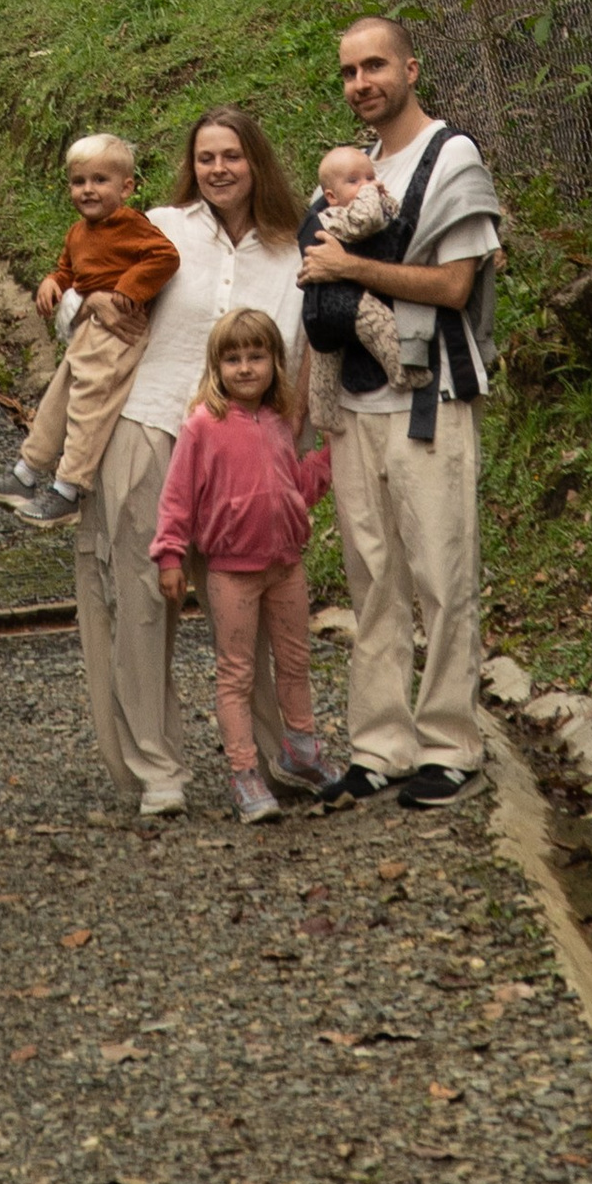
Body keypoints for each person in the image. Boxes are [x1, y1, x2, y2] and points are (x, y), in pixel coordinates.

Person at [72, 105, 307, 820]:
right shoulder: (160, 228)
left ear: (256, 161)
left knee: (255, 603)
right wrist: (85, 308)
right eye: (206, 157)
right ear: (191, 165)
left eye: (232, 155)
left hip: (242, 452)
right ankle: (158, 769)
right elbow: (83, 284)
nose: (218, 169)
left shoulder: (294, 251)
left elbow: (300, 360)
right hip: (150, 428)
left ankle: (280, 756)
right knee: (142, 602)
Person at [301, 14, 502, 811]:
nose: (362, 84)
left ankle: (451, 743)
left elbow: (455, 286)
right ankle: (380, 744)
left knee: (443, 570)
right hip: (354, 403)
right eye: (350, 72)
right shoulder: (355, 171)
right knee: (371, 578)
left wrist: (348, 266)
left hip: (431, 396)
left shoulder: (452, 158)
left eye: (375, 66)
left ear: (411, 68)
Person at [151, 305, 348, 823]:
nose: (245, 368)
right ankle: (244, 773)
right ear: (216, 368)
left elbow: (297, 490)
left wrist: (328, 458)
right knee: (236, 673)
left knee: (295, 659)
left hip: (286, 565)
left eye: (256, 356)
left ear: (274, 362)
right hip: (230, 572)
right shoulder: (202, 426)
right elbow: (177, 498)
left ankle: (301, 748)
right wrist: (169, 554)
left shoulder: (281, 421)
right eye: (232, 359)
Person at [0, 134, 178, 526]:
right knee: (57, 400)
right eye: (79, 182)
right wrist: (53, 283)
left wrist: (129, 287)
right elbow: (68, 270)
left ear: (126, 187)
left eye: (100, 181)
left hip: (118, 331)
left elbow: (165, 256)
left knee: (88, 407)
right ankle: (26, 473)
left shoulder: (131, 225)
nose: (88, 190)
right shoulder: (78, 232)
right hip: (89, 330)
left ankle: (68, 489)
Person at [295, 144, 404, 434]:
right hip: (345, 300)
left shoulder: (339, 210)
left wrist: (384, 198)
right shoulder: (337, 217)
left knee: (326, 359)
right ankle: (403, 370)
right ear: (331, 197)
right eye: (354, 181)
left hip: (323, 304)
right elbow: (369, 220)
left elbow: (392, 214)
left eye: (370, 178)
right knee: (379, 324)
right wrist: (374, 195)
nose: (367, 186)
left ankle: (323, 414)